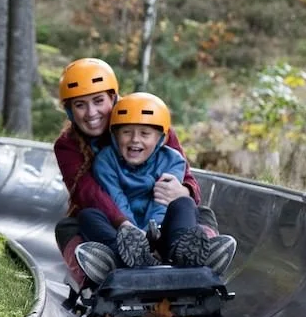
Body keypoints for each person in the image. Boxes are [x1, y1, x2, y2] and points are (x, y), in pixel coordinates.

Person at [51, 60, 235, 285]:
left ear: (113, 98)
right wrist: (126, 227)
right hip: (113, 224)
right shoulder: (68, 146)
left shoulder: (152, 121)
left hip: (161, 221)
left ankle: (200, 256)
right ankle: (103, 269)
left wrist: (184, 191)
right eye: (80, 105)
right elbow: (88, 193)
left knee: (198, 212)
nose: (91, 113)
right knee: (71, 225)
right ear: (70, 111)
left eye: (99, 101)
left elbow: (182, 173)